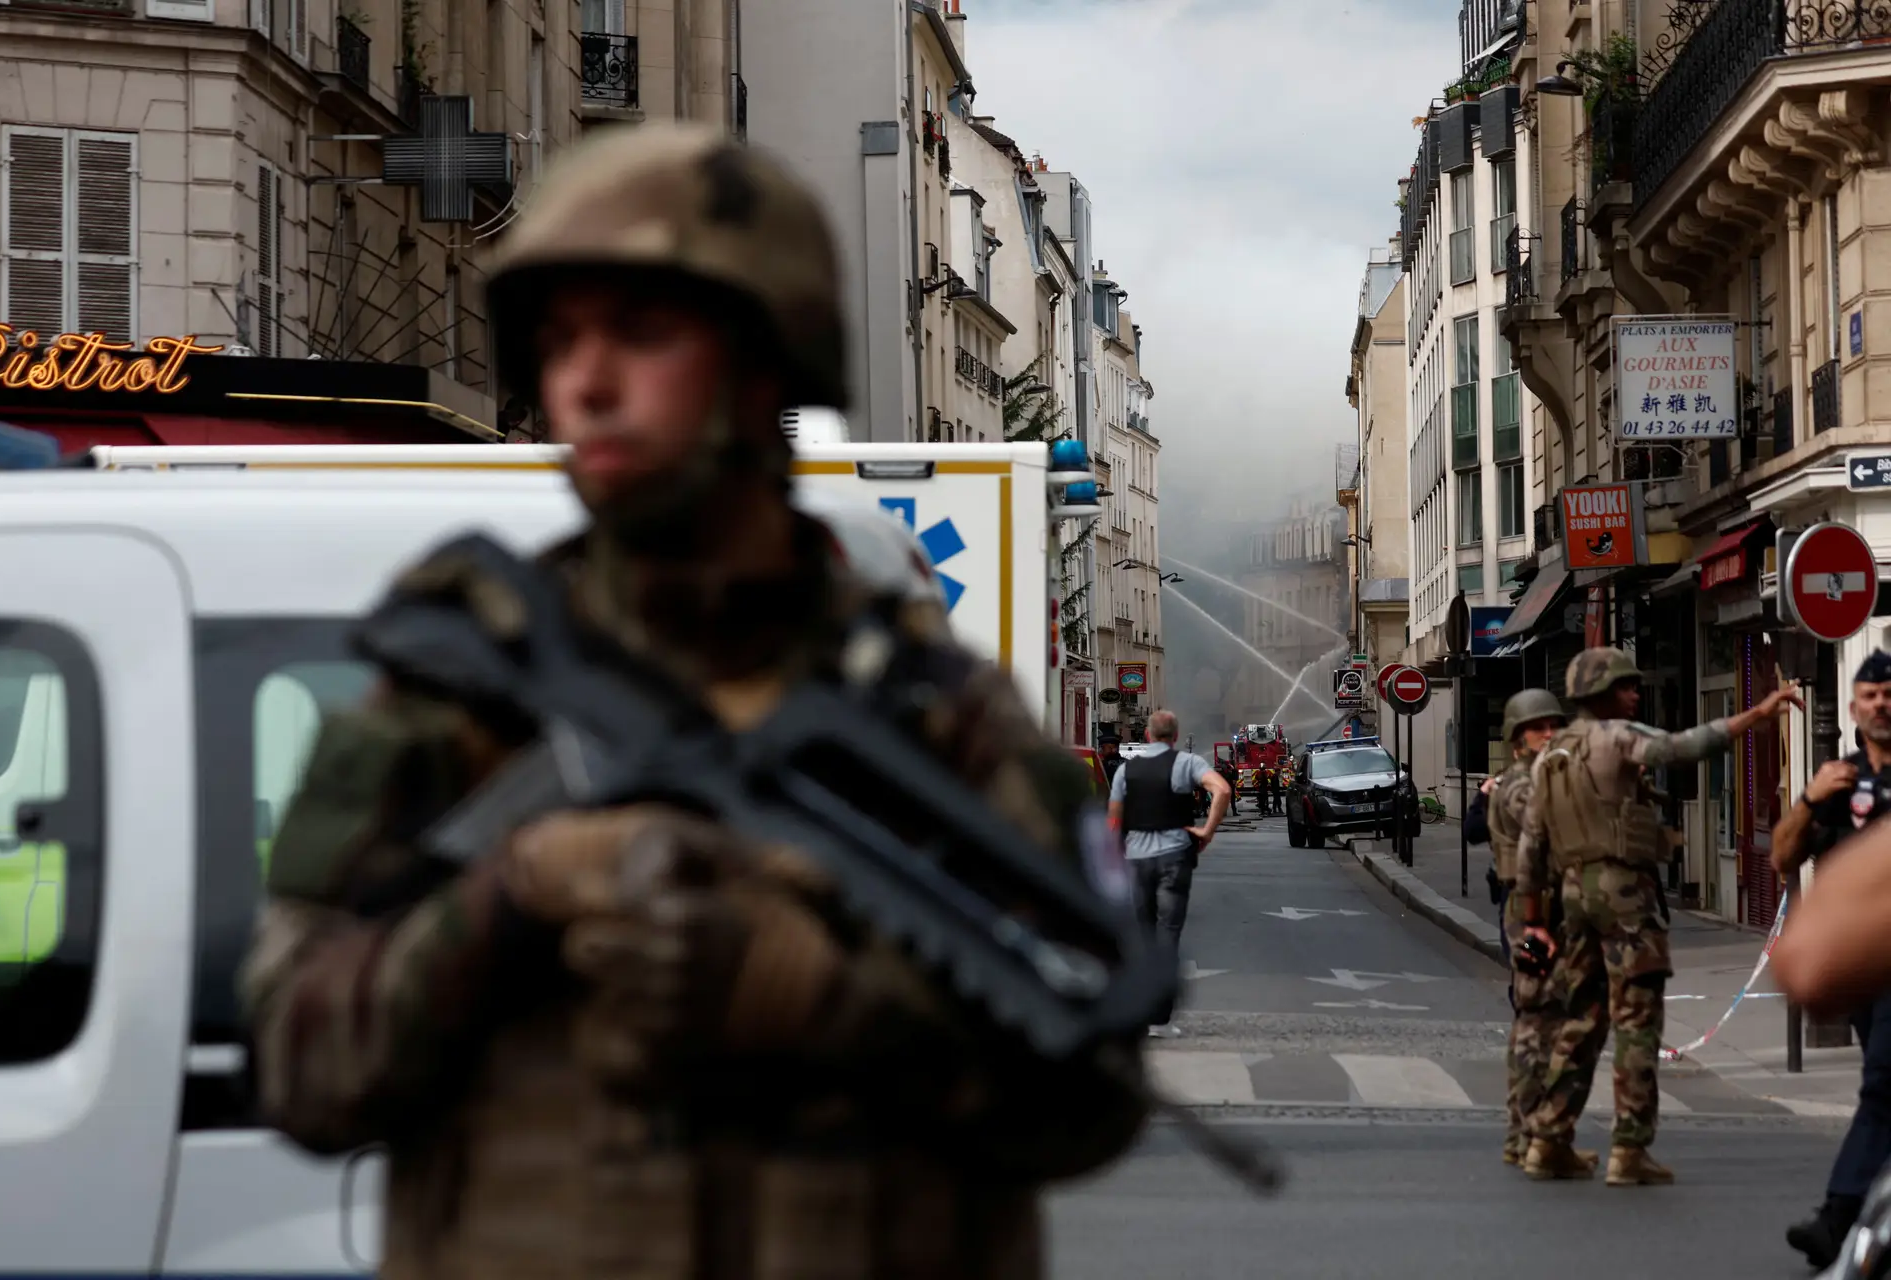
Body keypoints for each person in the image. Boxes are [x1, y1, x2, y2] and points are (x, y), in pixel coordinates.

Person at [238, 124, 1149, 1280]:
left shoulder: (935, 717)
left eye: (643, 333)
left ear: (766, 363)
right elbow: (298, 1068)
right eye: (559, 339)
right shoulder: (457, 686)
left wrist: (821, 999)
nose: (587, 380)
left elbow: (1094, 1094)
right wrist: (510, 896)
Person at [1516, 646, 1800, 1186]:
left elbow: (1532, 847)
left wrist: (1534, 920)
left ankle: (1548, 1139)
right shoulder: (1617, 737)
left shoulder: (1550, 756)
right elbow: (1680, 748)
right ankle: (1629, 1149)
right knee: (1637, 1019)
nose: (1635, 693)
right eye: (1626, 686)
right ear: (1601, 694)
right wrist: (1759, 714)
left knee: (1581, 1019)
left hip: (1573, 899)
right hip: (1625, 896)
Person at [1771, 652, 1891, 1267]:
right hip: (1861, 962)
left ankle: (1838, 1215)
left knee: (1883, 1084)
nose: (1881, 703)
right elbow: (1782, 860)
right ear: (1853, 707)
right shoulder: (1838, 779)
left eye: (1889, 693)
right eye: (1870, 694)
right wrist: (1810, 802)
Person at [1480, 690, 1600, 1172]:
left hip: (1549, 907)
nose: (1549, 735)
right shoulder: (1522, 786)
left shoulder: (1541, 779)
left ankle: (1533, 1135)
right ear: (1517, 738)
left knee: (1544, 1022)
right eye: (1538, 729)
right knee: (1540, 1023)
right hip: (1534, 909)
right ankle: (1532, 1135)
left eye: (1554, 726)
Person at [1108, 709, 1231, 1039]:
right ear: (1175, 737)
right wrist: (1207, 831)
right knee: (1169, 933)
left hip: (1135, 858)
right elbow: (1222, 790)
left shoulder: (1126, 771)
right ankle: (1160, 1019)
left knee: (1140, 934)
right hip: (1175, 857)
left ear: (1148, 736)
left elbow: (1114, 821)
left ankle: (1137, 1009)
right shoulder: (1187, 764)